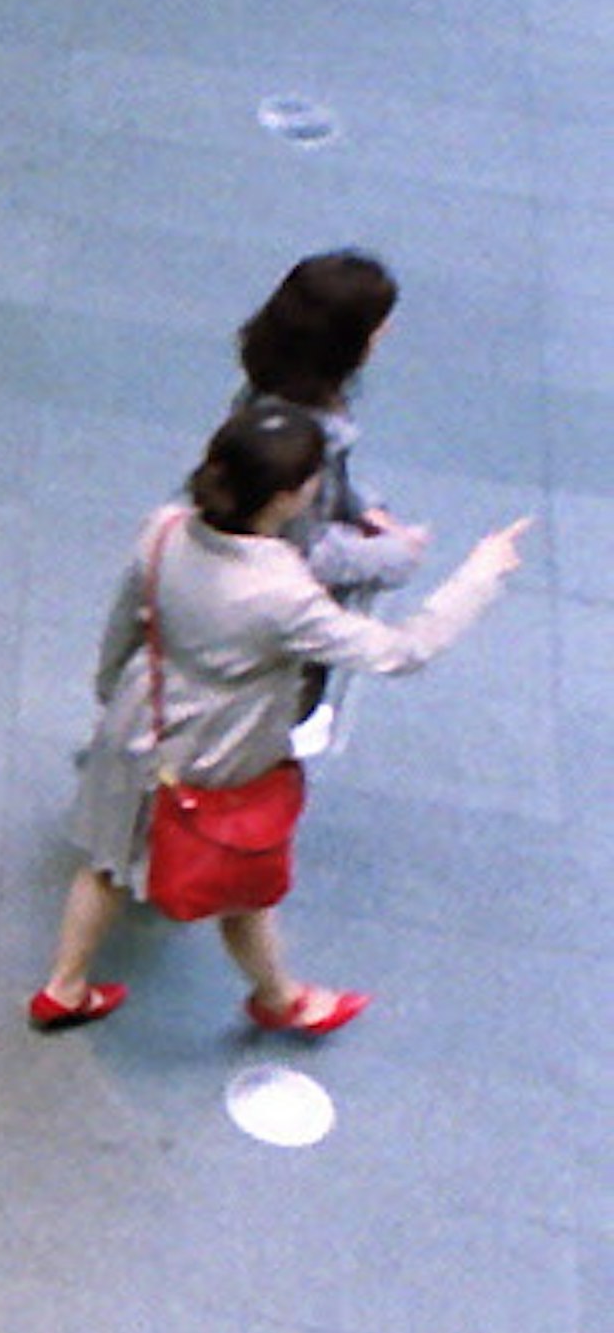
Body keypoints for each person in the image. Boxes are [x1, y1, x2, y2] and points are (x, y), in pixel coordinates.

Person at [26, 395, 526, 1038]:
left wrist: (109, 695)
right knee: (242, 884)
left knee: (106, 861)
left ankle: (65, 986)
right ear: (288, 497)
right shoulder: (281, 593)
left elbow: (125, 621)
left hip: (137, 722)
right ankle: (280, 999)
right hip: (222, 744)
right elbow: (401, 652)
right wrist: (479, 576)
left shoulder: (165, 530)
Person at [234, 246, 427, 762]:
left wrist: (362, 509)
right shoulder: (310, 431)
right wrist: (393, 555)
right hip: (275, 630)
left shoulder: (270, 395)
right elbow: (307, 551)